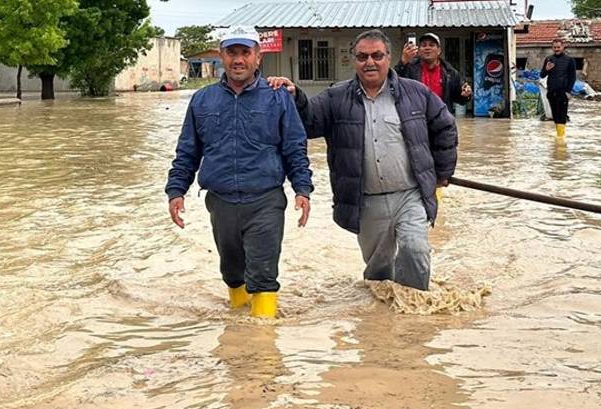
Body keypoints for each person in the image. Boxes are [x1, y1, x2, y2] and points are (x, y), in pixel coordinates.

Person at [268, 29, 457, 292]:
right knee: (378, 271)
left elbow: (445, 127)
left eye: (377, 56)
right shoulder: (336, 97)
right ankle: (380, 313)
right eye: (362, 56)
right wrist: (295, 96)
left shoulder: (416, 93)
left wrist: (442, 172)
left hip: (410, 195)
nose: (370, 62)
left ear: (389, 57)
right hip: (367, 201)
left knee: (415, 250)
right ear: (355, 60)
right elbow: (308, 123)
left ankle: (413, 308)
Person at [166, 25, 313, 319]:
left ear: (258, 57)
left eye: (245, 52)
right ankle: (236, 332)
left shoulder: (278, 97)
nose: (238, 59)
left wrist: (302, 189)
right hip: (220, 201)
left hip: (266, 200)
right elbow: (188, 151)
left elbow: (295, 147)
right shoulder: (202, 100)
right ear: (222, 56)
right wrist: (176, 190)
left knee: (263, 273)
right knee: (232, 272)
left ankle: (264, 337)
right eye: (231, 52)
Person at [396, 32, 472, 114]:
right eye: (424, 45)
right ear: (419, 50)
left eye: (431, 45)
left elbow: (460, 98)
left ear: (439, 50)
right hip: (417, 117)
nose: (427, 48)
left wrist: (466, 95)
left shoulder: (450, 72)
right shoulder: (409, 69)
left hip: (442, 117)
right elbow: (393, 84)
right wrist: (402, 62)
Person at [540, 38, 577, 138]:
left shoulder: (569, 60)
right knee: (555, 116)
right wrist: (546, 69)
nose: (556, 49)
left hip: (563, 92)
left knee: (562, 115)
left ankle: (561, 138)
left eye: (558, 47)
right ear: (552, 48)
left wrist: (568, 91)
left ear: (563, 47)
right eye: (554, 47)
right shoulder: (549, 59)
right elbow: (542, 75)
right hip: (551, 92)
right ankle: (559, 136)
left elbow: (572, 77)